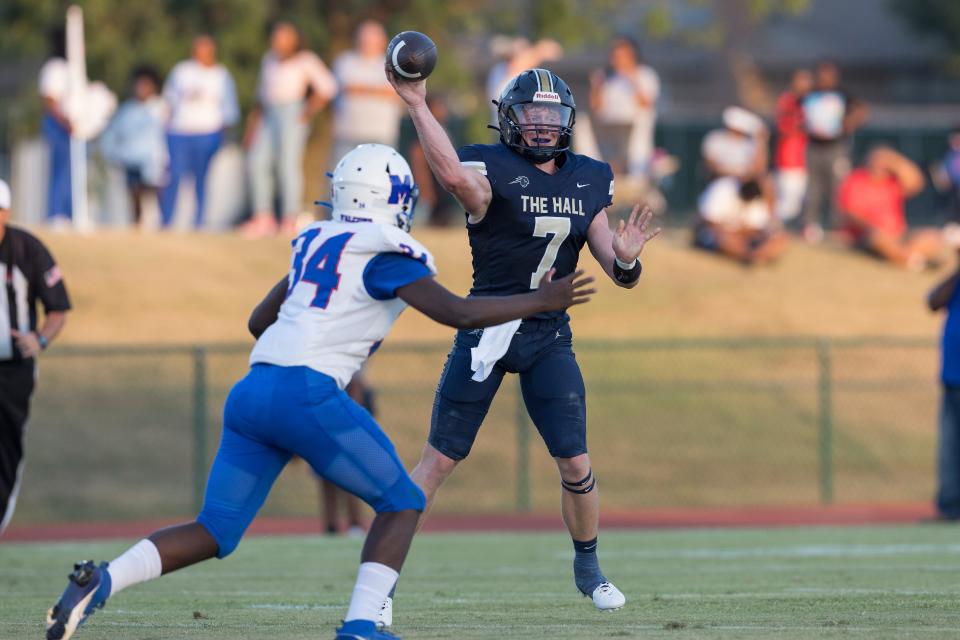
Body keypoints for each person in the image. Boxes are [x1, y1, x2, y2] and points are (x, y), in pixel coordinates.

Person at [43, 143, 595, 640]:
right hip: (306, 392)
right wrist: (540, 302)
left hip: (253, 390)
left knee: (215, 529)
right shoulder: (384, 255)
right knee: (402, 501)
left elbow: (259, 321)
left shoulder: (315, 243)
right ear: (394, 200)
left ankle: (103, 581)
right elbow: (458, 313)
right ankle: (360, 627)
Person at [384, 67, 660, 624]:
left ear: (567, 122)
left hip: (547, 336)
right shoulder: (490, 167)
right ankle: (380, 582)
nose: (541, 125)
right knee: (435, 462)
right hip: (488, 326)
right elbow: (454, 178)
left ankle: (590, 569)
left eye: (551, 116)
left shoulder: (588, 177)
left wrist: (628, 258)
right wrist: (416, 104)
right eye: (531, 115)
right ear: (510, 119)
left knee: (576, 461)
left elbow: (616, 269)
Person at [0, 179, 71, 535]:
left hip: (13, 369)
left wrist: (39, 339)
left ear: (6, 213)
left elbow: (58, 307)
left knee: (7, 448)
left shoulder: (27, 248)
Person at [241, 22, 338, 238]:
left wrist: (307, 111)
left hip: (292, 111)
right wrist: (252, 126)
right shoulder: (269, 60)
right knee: (257, 161)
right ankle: (262, 216)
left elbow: (328, 86)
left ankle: (289, 217)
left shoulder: (305, 60)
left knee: (287, 164)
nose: (278, 41)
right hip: (268, 113)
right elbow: (261, 95)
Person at [160, 35, 240, 230]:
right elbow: (168, 101)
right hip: (180, 132)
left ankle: (199, 222)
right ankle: (167, 221)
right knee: (174, 177)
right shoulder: (181, 71)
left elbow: (229, 111)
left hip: (207, 133)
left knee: (201, 179)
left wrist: (222, 137)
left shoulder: (222, 75)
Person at [837, 146, 942, 271]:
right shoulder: (856, 179)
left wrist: (895, 161)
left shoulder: (893, 181)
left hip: (898, 235)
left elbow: (916, 182)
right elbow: (850, 213)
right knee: (880, 238)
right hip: (868, 235)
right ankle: (911, 260)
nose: (880, 166)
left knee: (932, 236)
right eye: (877, 162)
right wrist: (873, 228)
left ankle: (907, 258)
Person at [801, 59, 868, 243]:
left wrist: (850, 123)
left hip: (836, 147)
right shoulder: (810, 94)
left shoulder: (842, 94)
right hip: (814, 146)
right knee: (812, 188)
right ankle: (810, 225)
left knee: (838, 187)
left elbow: (861, 109)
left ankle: (839, 225)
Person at [329, 21, 403, 175]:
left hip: (381, 135)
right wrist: (379, 90)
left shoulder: (392, 65)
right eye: (364, 38)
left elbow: (397, 93)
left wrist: (361, 88)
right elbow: (347, 88)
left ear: (382, 41)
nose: (367, 43)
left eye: (371, 39)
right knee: (342, 179)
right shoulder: (344, 61)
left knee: (380, 181)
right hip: (347, 133)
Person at [100, 66, 168, 229]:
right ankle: (137, 224)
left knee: (155, 196)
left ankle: (161, 225)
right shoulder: (126, 111)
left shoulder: (162, 108)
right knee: (135, 195)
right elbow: (112, 136)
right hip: (131, 161)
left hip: (155, 162)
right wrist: (114, 155)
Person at [589, 35, 660, 178]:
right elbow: (597, 108)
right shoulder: (609, 79)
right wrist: (597, 87)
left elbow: (646, 103)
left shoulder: (645, 74)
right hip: (611, 133)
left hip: (635, 134)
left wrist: (633, 79)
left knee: (636, 171)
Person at [927, 247, 960, 522]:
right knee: (949, 448)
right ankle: (949, 507)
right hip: (951, 379)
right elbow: (932, 301)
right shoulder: (955, 284)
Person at [693, 177, 788, 266]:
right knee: (725, 238)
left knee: (779, 238)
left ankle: (755, 256)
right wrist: (734, 232)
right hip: (717, 234)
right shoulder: (723, 188)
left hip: (744, 237)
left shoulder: (757, 197)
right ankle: (749, 257)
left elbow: (756, 227)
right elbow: (708, 220)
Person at [38, 28, 73, 229]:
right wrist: (64, 121)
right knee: (60, 170)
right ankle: (56, 214)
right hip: (58, 125)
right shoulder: (55, 68)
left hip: (74, 128)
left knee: (73, 172)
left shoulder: (73, 68)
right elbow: (50, 98)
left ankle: (70, 214)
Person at [485, 36, 563, 125]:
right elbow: (518, 65)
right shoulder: (504, 72)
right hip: (511, 130)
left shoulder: (516, 73)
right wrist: (540, 51)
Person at [773, 69, 813, 222]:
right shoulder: (787, 101)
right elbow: (783, 127)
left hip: (809, 159)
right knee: (789, 204)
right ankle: (772, 226)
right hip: (789, 159)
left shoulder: (813, 100)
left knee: (805, 200)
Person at [701, 106, 768, 182]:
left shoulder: (751, 144)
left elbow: (759, 170)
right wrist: (735, 173)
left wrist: (760, 141)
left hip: (746, 186)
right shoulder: (715, 139)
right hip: (721, 183)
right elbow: (712, 166)